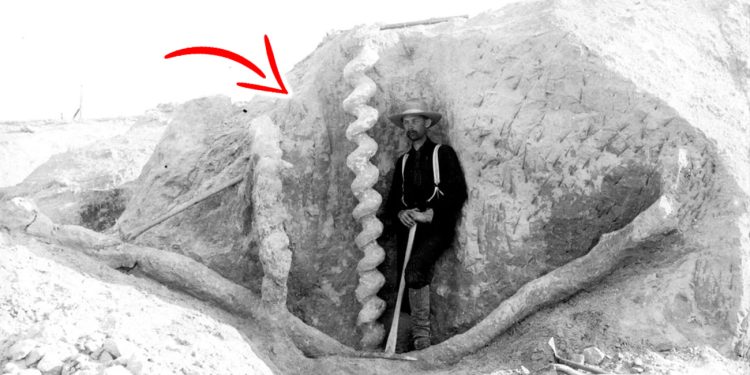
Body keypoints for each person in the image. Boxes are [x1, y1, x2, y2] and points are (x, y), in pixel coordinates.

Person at [383, 99, 468, 350]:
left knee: (415, 271)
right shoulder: (404, 161)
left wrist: (429, 214)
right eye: (406, 122)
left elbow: (457, 193)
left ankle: (423, 343)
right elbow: (392, 203)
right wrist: (401, 214)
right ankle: (406, 344)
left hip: (436, 228)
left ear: (427, 123)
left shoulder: (443, 153)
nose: (410, 126)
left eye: (415, 121)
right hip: (409, 232)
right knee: (403, 281)